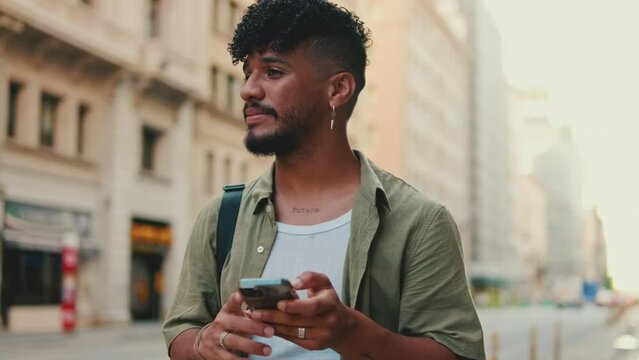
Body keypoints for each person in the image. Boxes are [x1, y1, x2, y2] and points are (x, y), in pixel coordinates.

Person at [163, 0, 485, 359]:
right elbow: (180, 332)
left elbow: (460, 353)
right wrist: (205, 341)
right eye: (247, 72)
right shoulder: (223, 216)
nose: (248, 90)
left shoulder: (420, 222)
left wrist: (349, 331)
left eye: (272, 72)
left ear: (337, 90)